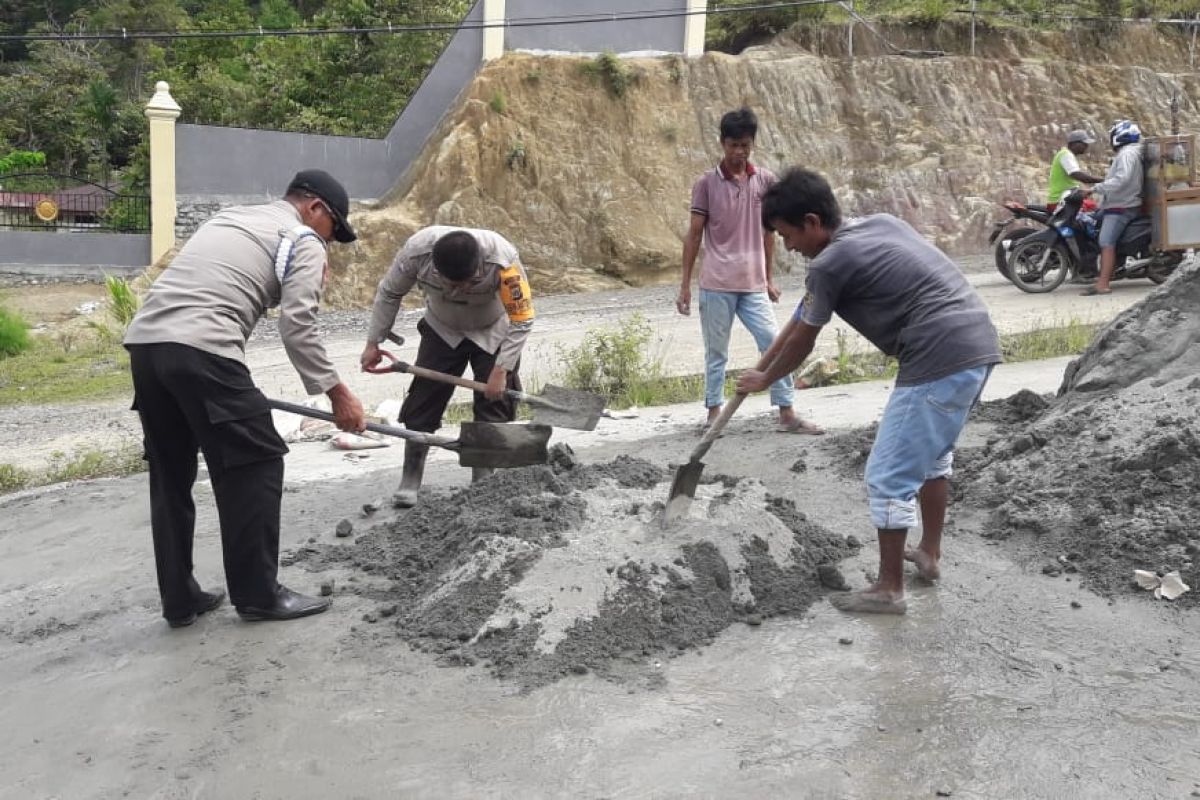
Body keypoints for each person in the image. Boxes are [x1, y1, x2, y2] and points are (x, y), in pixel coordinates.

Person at [737, 168, 1002, 615]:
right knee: (933, 458)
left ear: (812, 221)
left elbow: (804, 338)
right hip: (977, 346)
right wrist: (769, 365)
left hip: (936, 355)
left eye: (787, 236)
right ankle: (929, 555)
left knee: (888, 474)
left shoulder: (828, 265)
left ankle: (888, 589)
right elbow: (803, 318)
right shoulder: (879, 223)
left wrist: (765, 379)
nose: (789, 247)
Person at [124, 168, 366, 627]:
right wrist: (339, 395)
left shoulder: (231, 218)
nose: (329, 243)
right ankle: (258, 595)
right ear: (315, 209)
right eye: (333, 231)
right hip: (201, 347)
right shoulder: (303, 238)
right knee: (257, 458)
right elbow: (298, 327)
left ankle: (180, 598)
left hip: (145, 347)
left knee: (170, 472)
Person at [360, 226, 534, 507]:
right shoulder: (416, 253)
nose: (456, 291)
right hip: (443, 328)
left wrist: (501, 370)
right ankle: (411, 477)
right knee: (423, 399)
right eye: (450, 284)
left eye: (464, 284)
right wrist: (373, 342)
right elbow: (389, 293)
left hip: (493, 330)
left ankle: (483, 475)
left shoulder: (503, 261)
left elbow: (522, 319)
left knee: (494, 403)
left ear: (479, 267)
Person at [676, 107, 821, 434]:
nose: (739, 152)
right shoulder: (706, 185)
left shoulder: (765, 181)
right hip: (716, 283)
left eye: (745, 145)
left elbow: (770, 233)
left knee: (774, 343)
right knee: (717, 351)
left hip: (753, 283)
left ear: (752, 144)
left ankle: (786, 412)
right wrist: (685, 285)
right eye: (733, 145)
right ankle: (714, 413)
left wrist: (769, 278)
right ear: (722, 143)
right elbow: (694, 235)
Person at [1081, 120, 1145, 296]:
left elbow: (1121, 179)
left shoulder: (1126, 154)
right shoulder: (1132, 152)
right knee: (1092, 222)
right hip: (1120, 203)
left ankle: (1103, 284)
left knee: (1106, 242)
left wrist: (1094, 189)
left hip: (1121, 206)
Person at [1046, 129, 1104, 212]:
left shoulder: (1066, 155)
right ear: (1074, 144)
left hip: (1067, 198)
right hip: (1061, 201)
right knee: (1094, 214)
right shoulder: (1066, 155)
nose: (1086, 146)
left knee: (1093, 207)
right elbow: (1078, 175)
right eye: (1084, 143)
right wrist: (1103, 180)